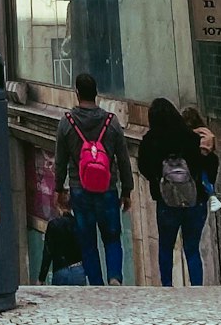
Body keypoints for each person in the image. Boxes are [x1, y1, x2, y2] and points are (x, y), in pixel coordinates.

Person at [55, 72, 133, 286]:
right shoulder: (111, 121)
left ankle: (97, 284)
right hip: (107, 188)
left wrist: (58, 189)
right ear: (96, 93)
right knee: (112, 237)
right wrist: (126, 190)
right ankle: (115, 276)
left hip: (80, 190)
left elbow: (60, 160)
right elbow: (124, 159)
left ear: (77, 93)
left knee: (87, 241)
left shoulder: (66, 122)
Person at [138, 96, 219, 286]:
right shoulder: (190, 138)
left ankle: (167, 288)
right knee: (192, 249)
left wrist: (158, 180)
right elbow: (209, 166)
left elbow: (143, 167)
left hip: (166, 203)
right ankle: (196, 287)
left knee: (165, 247)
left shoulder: (151, 140)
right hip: (195, 202)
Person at [183, 107, 221, 213]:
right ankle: (212, 195)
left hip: (191, 179)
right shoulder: (207, 132)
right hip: (208, 163)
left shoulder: (190, 133)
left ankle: (212, 195)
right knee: (207, 181)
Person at [38, 207, 85, 286]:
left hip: (60, 270)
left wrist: (41, 278)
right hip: (78, 270)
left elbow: (48, 253)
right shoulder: (78, 223)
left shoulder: (53, 225)